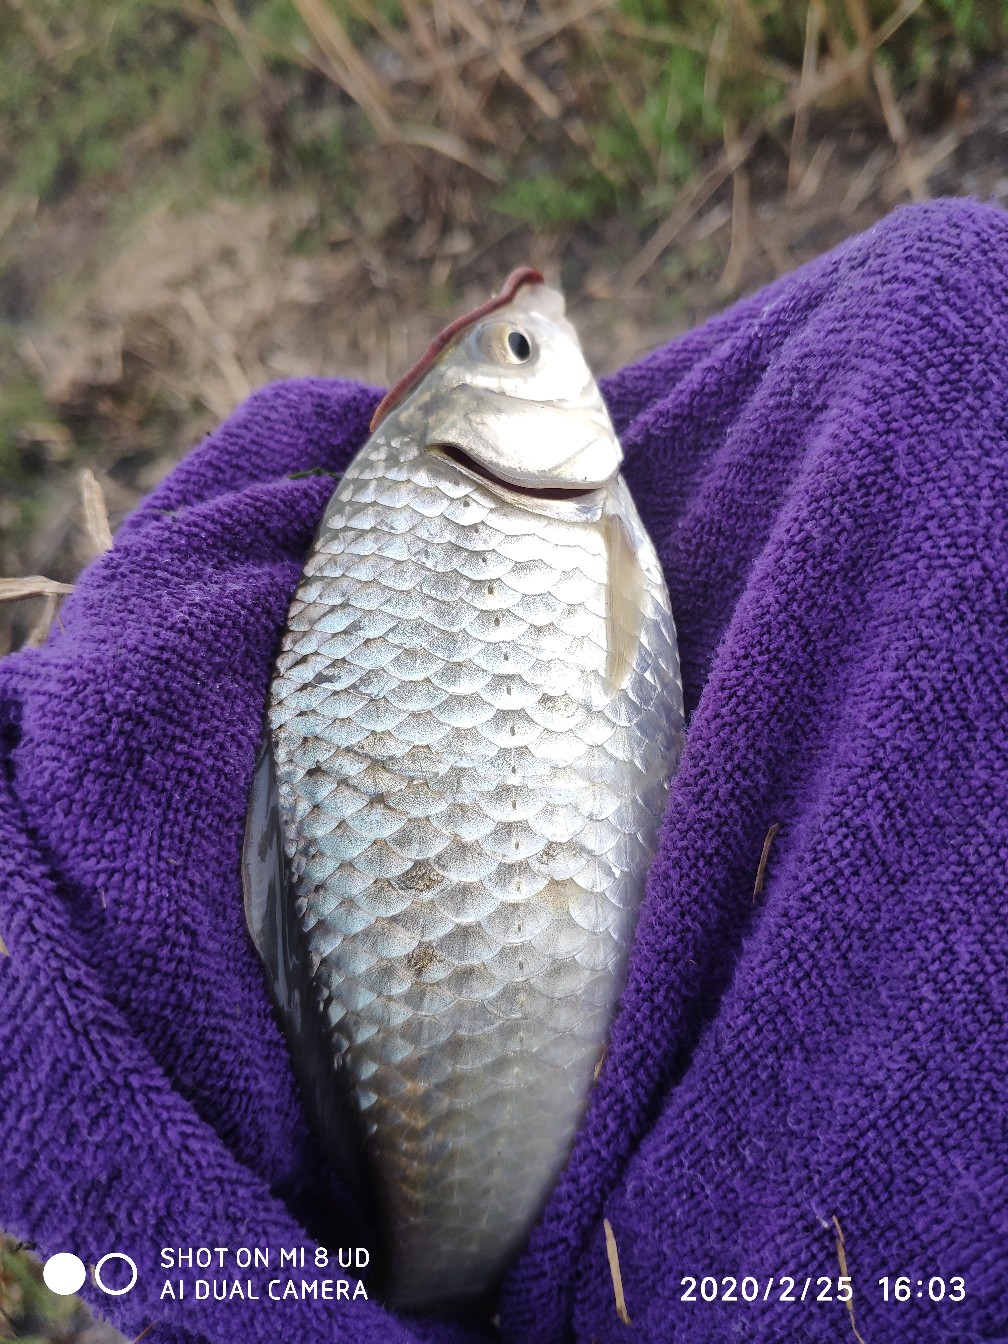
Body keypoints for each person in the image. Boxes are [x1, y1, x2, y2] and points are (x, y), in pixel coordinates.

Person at [1, 198, 1005, 1344]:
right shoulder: (516, 511)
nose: (545, 332)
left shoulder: (509, 507)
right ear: (464, 446)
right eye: (520, 351)